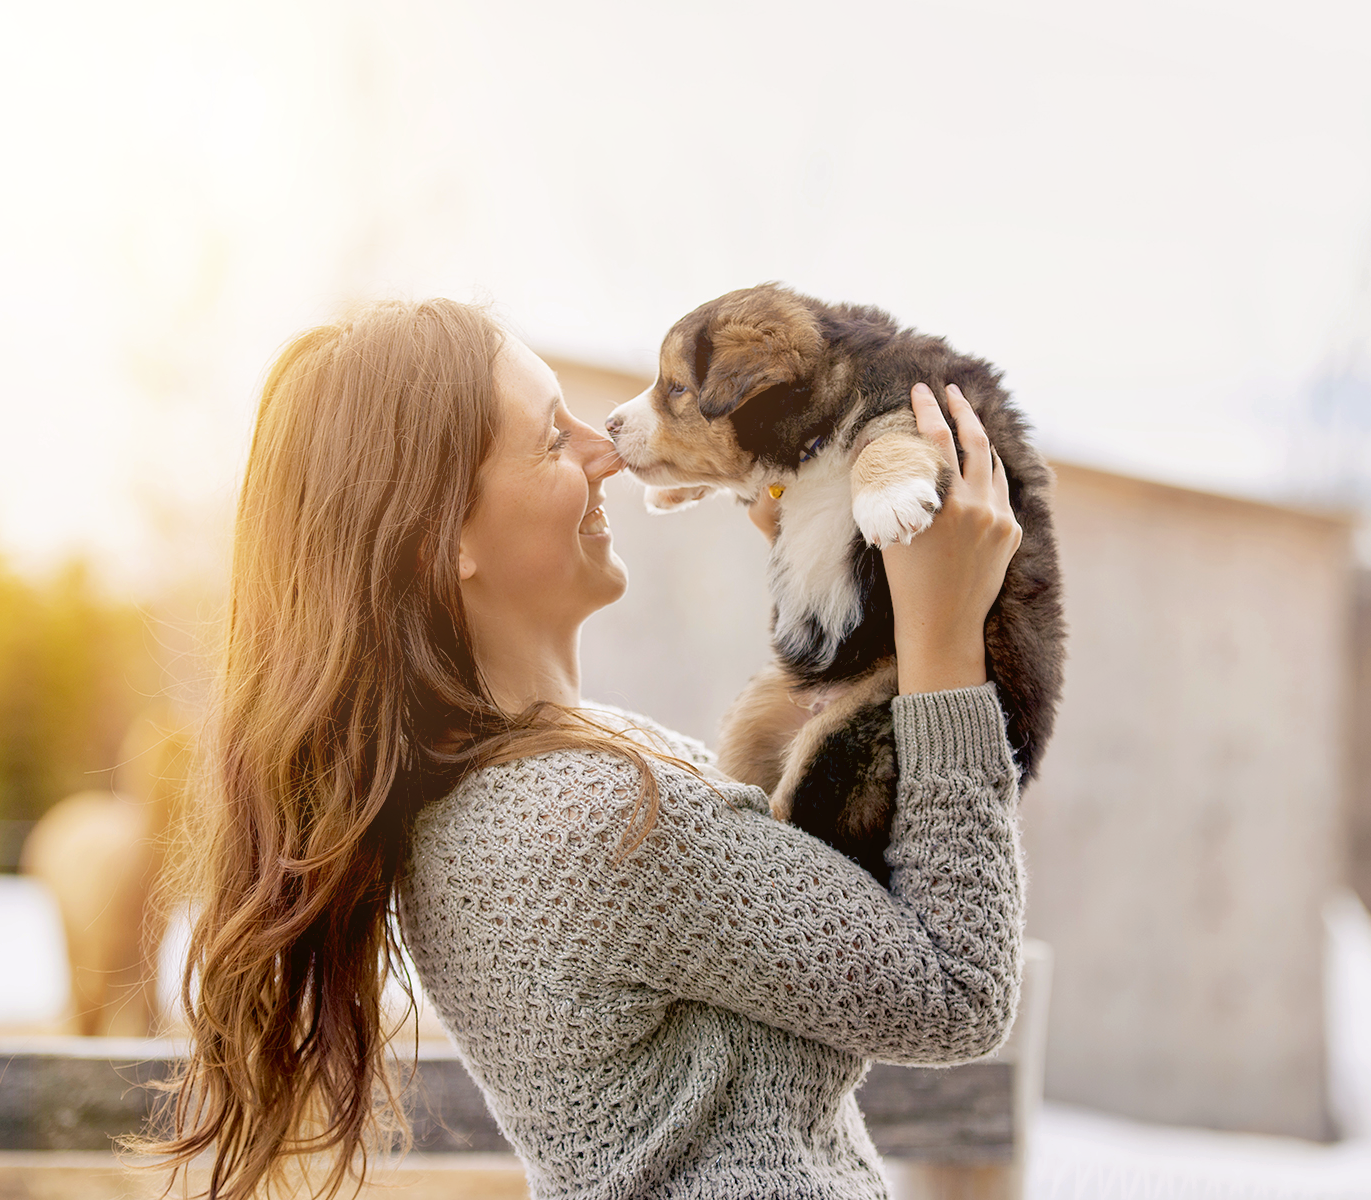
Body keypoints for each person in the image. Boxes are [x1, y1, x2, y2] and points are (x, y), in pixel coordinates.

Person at [148, 299, 1025, 1199]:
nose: (604, 448)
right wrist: (944, 644)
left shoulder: (515, 794)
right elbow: (958, 989)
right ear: (442, 538)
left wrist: (820, 548)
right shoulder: (599, 819)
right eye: (549, 439)